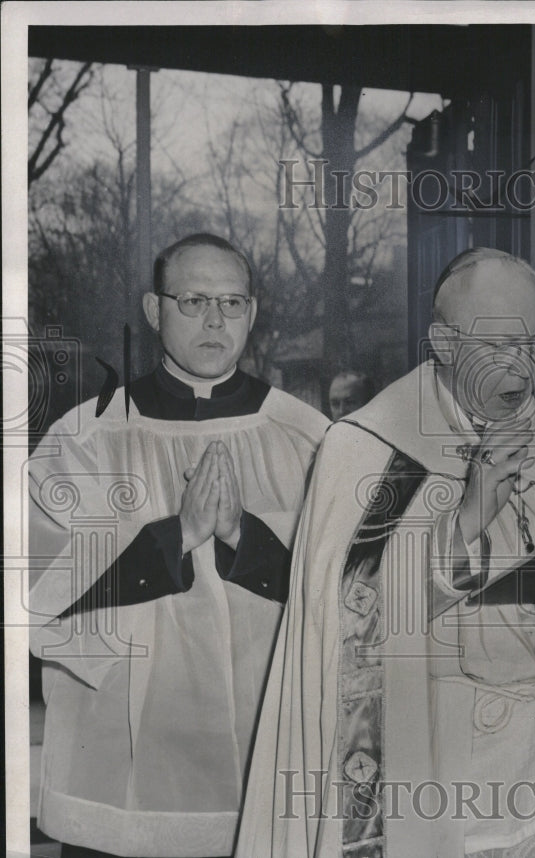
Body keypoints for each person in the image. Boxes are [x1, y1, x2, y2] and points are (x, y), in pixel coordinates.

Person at [236, 248, 535, 858]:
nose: (524, 367)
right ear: (444, 342)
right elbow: (345, 622)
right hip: (441, 775)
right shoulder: (368, 449)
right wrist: (464, 525)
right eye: (501, 345)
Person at [29, 233, 330, 858]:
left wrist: (244, 538)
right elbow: (34, 592)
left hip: (267, 757)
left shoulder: (309, 438)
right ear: (152, 310)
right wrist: (177, 536)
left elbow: (354, 590)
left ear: (251, 312)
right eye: (192, 300)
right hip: (124, 771)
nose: (215, 320)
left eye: (231, 302)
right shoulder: (85, 436)